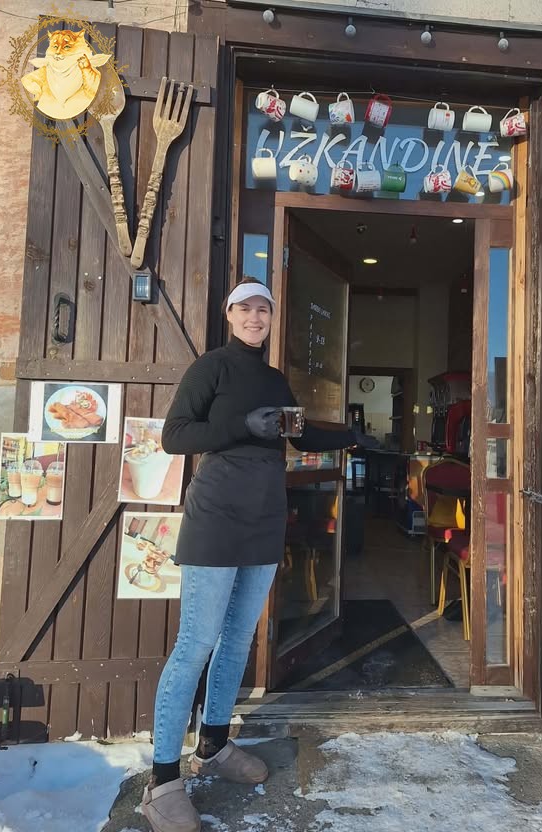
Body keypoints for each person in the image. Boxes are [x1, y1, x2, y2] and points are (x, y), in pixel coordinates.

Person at [141, 278, 377, 832]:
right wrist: (241, 425)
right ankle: (162, 781)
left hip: (265, 519)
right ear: (230, 315)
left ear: (271, 318)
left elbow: (298, 435)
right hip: (216, 520)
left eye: (263, 309)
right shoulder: (212, 368)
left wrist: (351, 436)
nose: (254, 317)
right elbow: (175, 436)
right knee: (195, 644)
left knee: (237, 640)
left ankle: (214, 744)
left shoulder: (273, 378)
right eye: (245, 308)